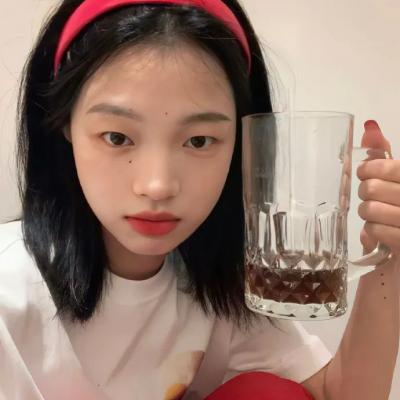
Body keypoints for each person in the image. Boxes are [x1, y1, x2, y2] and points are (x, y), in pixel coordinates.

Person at [0, 0, 399, 399]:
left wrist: (389, 257)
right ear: (65, 124)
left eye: (198, 141)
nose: (157, 185)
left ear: (241, 143)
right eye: (118, 137)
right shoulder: (10, 296)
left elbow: (335, 394)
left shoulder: (215, 286)